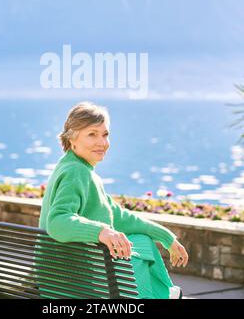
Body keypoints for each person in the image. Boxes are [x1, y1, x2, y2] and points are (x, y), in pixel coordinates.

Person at [37, 101, 189, 299]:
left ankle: (161, 295)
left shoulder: (73, 166)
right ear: (72, 139)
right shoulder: (76, 172)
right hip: (75, 283)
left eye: (105, 134)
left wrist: (166, 237)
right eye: (92, 134)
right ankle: (159, 296)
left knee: (143, 241)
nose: (102, 142)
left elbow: (118, 217)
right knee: (143, 253)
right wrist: (101, 231)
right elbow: (57, 222)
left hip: (63, 276)